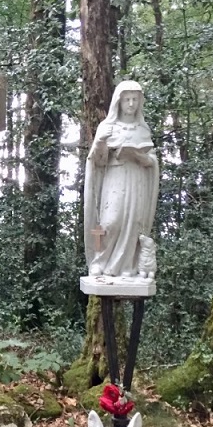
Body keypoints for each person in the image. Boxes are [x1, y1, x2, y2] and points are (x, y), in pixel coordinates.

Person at [83, 80, 159, 278]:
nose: (131, 104)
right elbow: (97, 162)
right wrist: (100, 142)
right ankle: (100, 262)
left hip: (136, 180)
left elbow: (152, 161)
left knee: (133, 223)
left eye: (135, 99)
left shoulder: (143, 130)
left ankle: (128, 266)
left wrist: (141, 157)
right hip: (115, 178)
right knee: (110, 222)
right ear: (119, 102)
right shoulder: (107, 127)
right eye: (127, 100)